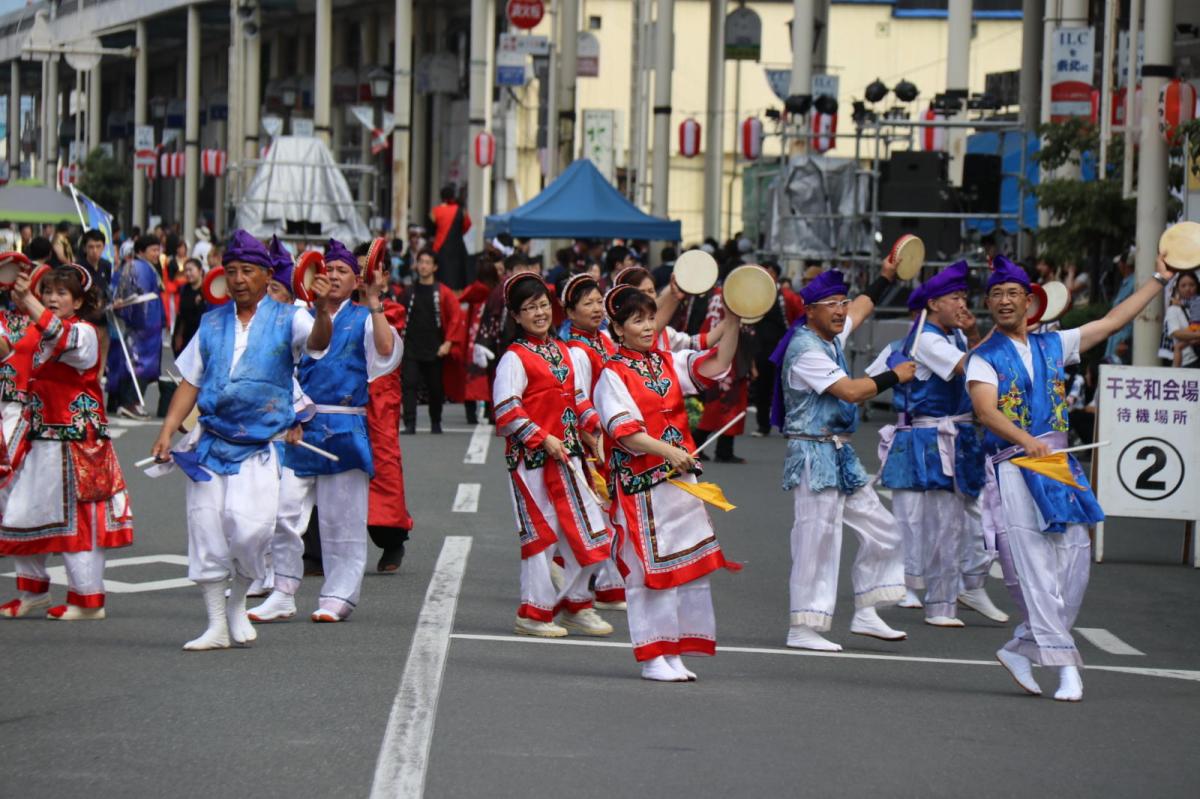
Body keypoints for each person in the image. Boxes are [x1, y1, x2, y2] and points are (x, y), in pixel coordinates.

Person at [966, 254, 1174, 702]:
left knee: (1074, 562)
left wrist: (1160, 279)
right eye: (996, 295)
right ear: (989, 303)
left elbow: (1113, 319)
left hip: (1057, 464)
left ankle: (1022, 648)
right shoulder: (983, 358)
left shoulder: (1052, 345)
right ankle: (1065, 668)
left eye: (1012, 294)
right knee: (1037, 568)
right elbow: (986, 412)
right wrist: (1028, 440)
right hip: (1016, 467)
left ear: (1030, 301)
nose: (1004, 301)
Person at [149, 230, 332, 651]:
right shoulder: (211, 323)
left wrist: (322, 311)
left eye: (246, 271)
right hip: (209, 444)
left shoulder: (290, 318)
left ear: (267, 276)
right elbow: (190, 382)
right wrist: (165, 432)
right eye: (230, 271)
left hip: (260, 447)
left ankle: (237, 604)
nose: (237, 279)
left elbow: (318, 344)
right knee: (207, 530)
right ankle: (215, 623)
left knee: (251, 532)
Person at [593, 284, 742, 681]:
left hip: (678, 483)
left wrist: (735, 319)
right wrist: (670, 451)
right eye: (636, 320)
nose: (646, 326)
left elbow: (716, 364)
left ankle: (672, 650)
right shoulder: (612, 373)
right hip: (642, 486)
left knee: (684, 567)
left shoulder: (666, 362)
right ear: (618, 328)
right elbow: (624, 433)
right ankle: (651, 655)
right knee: (648, 573)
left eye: (649, 317)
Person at [249, 239, 400, 623]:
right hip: (299, 425)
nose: (332, 276)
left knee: (342, 518)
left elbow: (384, 352)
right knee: (283, 511)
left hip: (344, 423)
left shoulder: (364, 316)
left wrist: (375, 300)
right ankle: (282, 588)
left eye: (342, 271)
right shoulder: (298, 316)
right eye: (327, 269)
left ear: (355, 281)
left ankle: (338, 594)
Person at [772, 265, 915, 651]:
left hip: (838, 451)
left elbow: (863, 308)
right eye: (831, 304)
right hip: (811, 453)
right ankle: (802, 626)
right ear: (810, 311)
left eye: (843, 302)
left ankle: (867, 608)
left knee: (883, 527)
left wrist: (886, 275)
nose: (841, 310)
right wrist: (894, 376)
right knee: (815, 539)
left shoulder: (831, 334)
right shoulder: (804, 350)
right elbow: (850, 391)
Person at [875, 262, 1007, 627]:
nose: (962, 303)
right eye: (955, 297)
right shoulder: (927, 340)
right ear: (934, 304)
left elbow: (978, 365)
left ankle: (968, 584)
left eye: (965, 296)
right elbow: (974, 368)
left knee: (980, 516)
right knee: (924, 520)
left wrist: (976, 331)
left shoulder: (953, 336)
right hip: (929, 438)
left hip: (959, 436)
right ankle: (926, 589)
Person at [0, 265, 134, 619]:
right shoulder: (36, 329)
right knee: (19, 513)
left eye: (62, 293)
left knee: (81, 521)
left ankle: (88, 599)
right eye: (49, 292)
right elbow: (10, 349)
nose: (53, 298)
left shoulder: (85, 332)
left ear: (78, 301)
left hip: (78, 442)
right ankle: (33, 591)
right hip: (38, 436)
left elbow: (63, 340)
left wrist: (29, 302)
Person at [494, 273, 615, 639]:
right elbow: (506, 410)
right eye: (530, 308)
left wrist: (596, 432)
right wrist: (543, 438)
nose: (539, 313)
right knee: (542, 538)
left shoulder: (562, 351)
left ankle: (576, 604)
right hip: (531, 463)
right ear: (516, 316)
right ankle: (534, 613)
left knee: (593, 531)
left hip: (568, 458)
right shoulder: (514, 358)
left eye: (543, 305)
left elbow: (577, 399)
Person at [560, 273, 626, 609]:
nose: (597, 307)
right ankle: (604, 586)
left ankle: (605, 584)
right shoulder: (577, 349)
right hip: (594, 443)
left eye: (599, 301)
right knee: (601, 513)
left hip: (609, 438)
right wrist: (597, 432)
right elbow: (577, 397)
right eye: (587, 303)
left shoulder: (605, 341)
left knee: (610, 512)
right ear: (570, 313)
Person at [399, 248, 464, 434]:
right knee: (409, 385)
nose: (423, 266)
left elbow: (455, 317)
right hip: (411, 347)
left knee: (436, 388)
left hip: (435, 348)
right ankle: (409, 423)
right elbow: (399, 316)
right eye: (421, 262)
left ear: (434, 267)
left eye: (427, 262)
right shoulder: (408, 292)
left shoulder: (443, 292)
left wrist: (449, 342)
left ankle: (436, 421)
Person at [107, 234, 164, 419]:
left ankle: (125, 401)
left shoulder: (143, 267)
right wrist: (138, 320)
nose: (157, 254)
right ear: (141, 251)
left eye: (158, 250)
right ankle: (130, 402)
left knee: (133, 363)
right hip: (143, 326)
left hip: (147, 324)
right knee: (139, 364)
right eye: (153, 250)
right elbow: (133, 295)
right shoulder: (138, 267)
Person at [457, 256, 500, 425]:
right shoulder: (496, 291)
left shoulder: (474, 290)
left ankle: (471, 413)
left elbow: (459, 301)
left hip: (474, 335)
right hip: (490, 335)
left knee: (472, 375)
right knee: (491, 375)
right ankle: (492, 412)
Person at [429, 184, 470, 289]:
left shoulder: (435, 211)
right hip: (458, 249)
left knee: (440, 278)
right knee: (458, 278)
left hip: (439, 249)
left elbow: (431, 230)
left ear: (441, 197)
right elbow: (467, 225)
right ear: (453, 196)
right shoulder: (461, 211)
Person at [1103, 251, 1137, 364]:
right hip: (1116, 336)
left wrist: (1126, 341)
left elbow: (1134, 314)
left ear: (1123, 264)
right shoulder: (1127, 282)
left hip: (1123, 340)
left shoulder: (1134, 283)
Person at [1161, 272, 1200, 368]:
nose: (1188, 288)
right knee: (1178, 347)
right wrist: (1197, 335)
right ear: (1178, 288)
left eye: (1192, 285)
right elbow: (1176, 333)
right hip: (1187, 361)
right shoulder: (1173, 310)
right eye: (1183, 285)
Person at [172, 257, 207, 356]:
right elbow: (181, 315)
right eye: (186, 270)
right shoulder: (184, 289)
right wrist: (178, 335)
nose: (187, 273)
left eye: (190, 270)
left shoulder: (207, 290)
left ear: (200, 271)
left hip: (201, 336)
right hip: (187, 335)